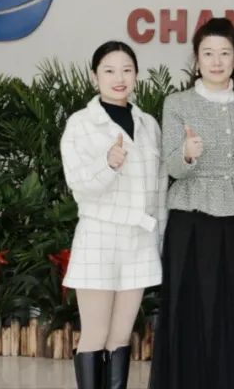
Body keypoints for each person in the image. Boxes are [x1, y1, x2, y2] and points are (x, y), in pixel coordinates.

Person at [148, 17, 234, 389]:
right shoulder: (177, 103)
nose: (216, 61)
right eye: (208, 53)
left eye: (225, 53)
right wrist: (187, 153)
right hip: (192, 220)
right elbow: (172, 167)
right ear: (196, 60)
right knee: (191, 311)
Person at [61, 41, 165, 389]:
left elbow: (159, 190)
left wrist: (160, 239)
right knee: (95, 335)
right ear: (95, 77)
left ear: (136, 75)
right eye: (109, 70)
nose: (119, 78)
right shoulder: (80, 124)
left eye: (126, 70)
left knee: (120, 336)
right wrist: (107, 164)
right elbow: (78, 185)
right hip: (99, 235)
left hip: (139, 239)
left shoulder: (148, 124)